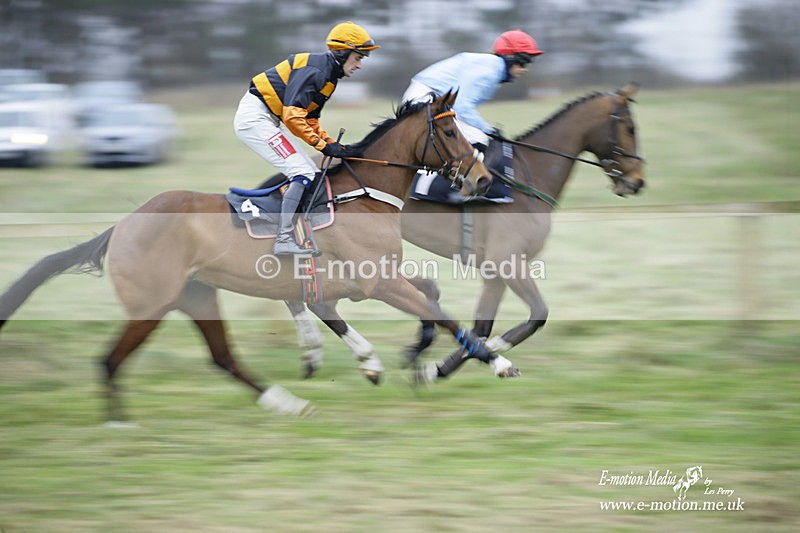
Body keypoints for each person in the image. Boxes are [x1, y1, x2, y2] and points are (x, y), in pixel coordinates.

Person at [234, 21, 379, 255]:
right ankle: (283, 239)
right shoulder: (317, 71)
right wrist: (323, 146)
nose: (360, 65)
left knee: (310, 172)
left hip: (268, 119)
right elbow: (293, 116)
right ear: (342, 53)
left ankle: (294, 227)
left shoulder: (329, 77)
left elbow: (309, 119)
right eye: (358, 58)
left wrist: (331, 144)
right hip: (255, 119)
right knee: (302, 172)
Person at [401, 29, 543, 151]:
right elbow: (462, 106)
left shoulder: (492, 67)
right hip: (425, 97)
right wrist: (488, 130)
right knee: (477, 138)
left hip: (433, 99)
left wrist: (488, 129)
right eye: (523, 62)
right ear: (510, 57)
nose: (525, 69)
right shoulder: (490, 71)